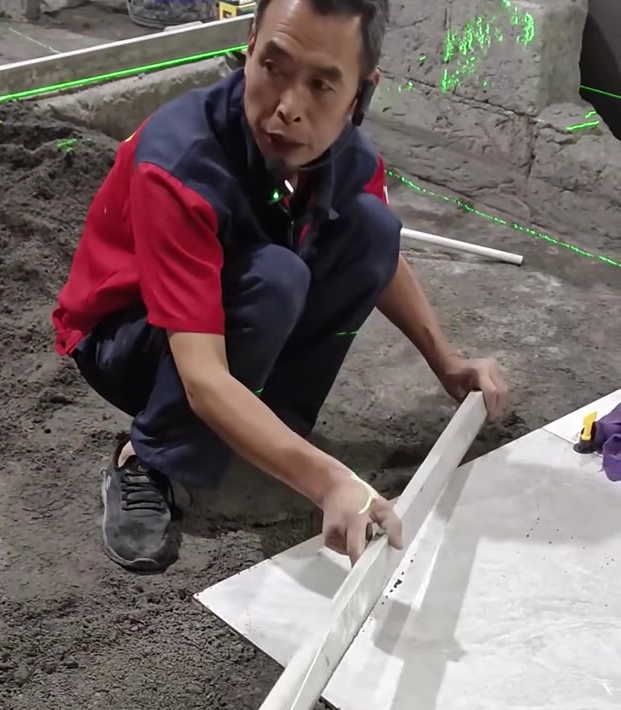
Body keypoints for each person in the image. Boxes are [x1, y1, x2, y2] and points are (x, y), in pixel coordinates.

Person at [52, 0, 508, 573]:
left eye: (321, 84)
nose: (289, 107)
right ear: (248, 49)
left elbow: (380, 259)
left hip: (227, 303)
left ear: (360, 95)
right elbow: (203, 376)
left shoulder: (344, 153)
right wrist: (329, 481)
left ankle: (267, 430)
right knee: (275, 280)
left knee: (370, 229)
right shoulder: (179, 162)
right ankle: (148, 457)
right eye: (273, 67)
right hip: (123, 336)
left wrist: (447, 361)